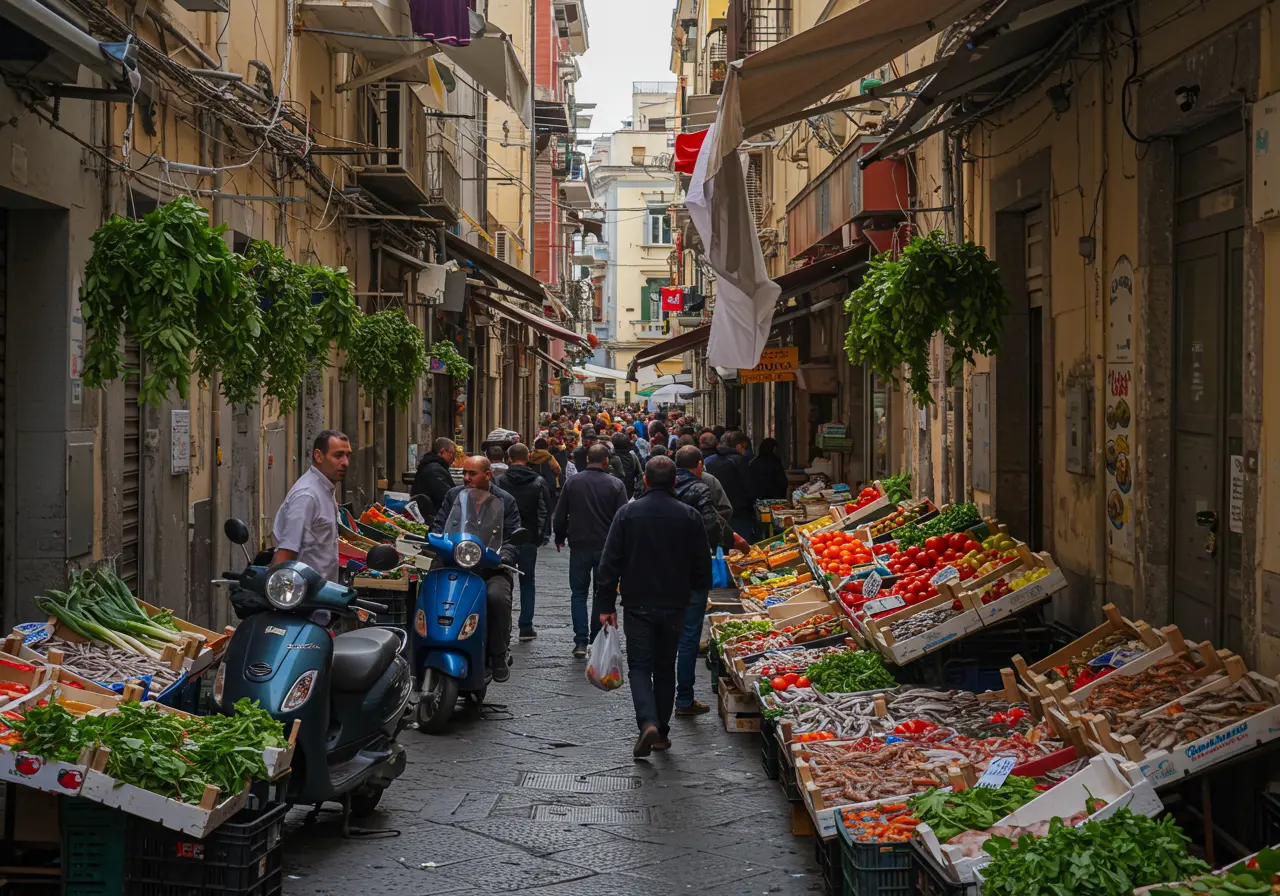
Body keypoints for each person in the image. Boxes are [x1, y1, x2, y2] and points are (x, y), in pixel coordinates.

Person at [595, 456, 711, 757]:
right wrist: (697, 592)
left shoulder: (627, 514)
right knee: (664, 667)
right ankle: (661, 731)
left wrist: (605, 604)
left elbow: (609, 563)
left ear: (645, 480)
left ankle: (646, 722)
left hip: (638, 603)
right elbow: (702, 565)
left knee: (640, 668)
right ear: (675, 481)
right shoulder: (689, 516)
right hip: (675, 603)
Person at [672, 445, 746, 716]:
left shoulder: (652, 494)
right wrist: (725, 541)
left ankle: (653, 711)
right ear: (699, 464)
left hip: (659, 574)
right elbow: (713, 524)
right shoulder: (702, 488)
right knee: (689, 635)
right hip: (692, 570)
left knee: (659, 637)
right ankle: (683, 698)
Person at [432, 456, 522, 681]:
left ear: (488, 475)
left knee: (497, 598)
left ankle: (499, 653)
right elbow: (439, 523)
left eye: (472, 474)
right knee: (431, 591)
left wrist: (505, 555)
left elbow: (513, 536)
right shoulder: (454, 496)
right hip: (455, 563)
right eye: (464, 473)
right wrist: (437, 541)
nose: (466, 478)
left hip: (492, 568)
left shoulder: (505, 500)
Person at [553, 443, 629, 658]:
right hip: (606, 548)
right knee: (600, 593)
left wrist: (560, 537)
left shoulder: (572, 482)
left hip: (579, 545)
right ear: (606, 461)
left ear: (588, 460)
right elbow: (622, 519)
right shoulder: (616, 485)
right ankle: (596, 638)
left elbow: (559, 516)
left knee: (578, 593)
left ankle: (580, 640)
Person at [271, 430, 350, 582]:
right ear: (318, 456)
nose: (345, 462)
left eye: (348, 456)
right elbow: (286, 552)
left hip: (323, 593)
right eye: (338, 455)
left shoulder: (325, 488)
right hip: (305, 597)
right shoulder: (307, 495)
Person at [497, 444, 554, 642]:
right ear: (528, 457)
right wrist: (540, 535)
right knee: (528, 582)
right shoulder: (538, 481)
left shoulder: (500, 481)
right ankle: (526, 627)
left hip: (505, 539)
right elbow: (544, 511)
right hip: (528, 538)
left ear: (509, 458)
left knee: (504, 583)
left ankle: (504, 627)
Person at [705, 430, 756, 541]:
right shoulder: (740, 461)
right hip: (739, 514)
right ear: (738, 446)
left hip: (716, 513)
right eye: (744, 447)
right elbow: (749, 487)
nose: (744, 451)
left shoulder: (708, 461)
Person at [414, 437, 457, 521]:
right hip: (432, 516)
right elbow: (446, 495)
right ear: (442, 451)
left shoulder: (435, 466)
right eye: (453, 454)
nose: (454, 458)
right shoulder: (435, 470)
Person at [529, 437, 563, 503]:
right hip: (548, 485)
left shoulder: (530, 456)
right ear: (546, 447)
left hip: (532, 483)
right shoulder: (549, 456)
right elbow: (557, 469)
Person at [611, 432, 641, 498]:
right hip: (629, 491)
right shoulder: (632, 456)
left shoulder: (610, 457)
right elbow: (639, 473)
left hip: (613, 490)